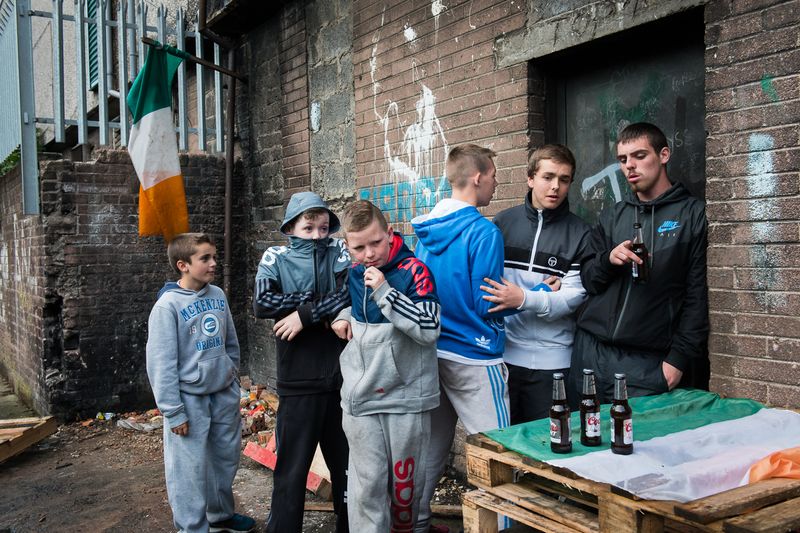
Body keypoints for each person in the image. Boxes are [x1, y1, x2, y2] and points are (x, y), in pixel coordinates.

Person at [411, 144, 518, 533]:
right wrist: (524, 298)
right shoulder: (484, 231)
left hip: (432, 352)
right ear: (477, 177)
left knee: (430, 448)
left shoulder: (424, 231)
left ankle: (415, 523)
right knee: (498, 451)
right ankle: (503, 527)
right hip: (476, 357)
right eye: (493, 175)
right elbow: (487, 302)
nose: (495, 182)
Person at [569, 122, 709, 405]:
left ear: (664, 155)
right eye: (623, 160)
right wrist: (609, 260)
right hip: (591, 356)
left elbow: (697, 297)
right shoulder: (612, 216)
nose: (630, 166)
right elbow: (589, 280)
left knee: (636, 446)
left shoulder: (692, 214)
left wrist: (677, 362)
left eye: (639, 156)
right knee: (588, 444)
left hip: (646, 364)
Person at [331, 200, 441, 533]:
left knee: (404, 491)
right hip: (361, 397)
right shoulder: (352, 271)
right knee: (366, 487)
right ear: (347, 246)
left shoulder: (415, 271)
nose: (368, 254)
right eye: (358, 247)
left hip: (406, 397)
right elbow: (351, 307)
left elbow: (429, 328)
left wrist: (384, 291)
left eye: (375, 243)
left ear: (389, 233)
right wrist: (342, 317)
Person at [253, 191, 350, 533]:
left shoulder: (339, 251)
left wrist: (303, 315)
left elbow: (349, 293)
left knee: (346, 467)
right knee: (291, 471)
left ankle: (349, 526)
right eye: (309, 228)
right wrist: (314, 304)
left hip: (341, 380)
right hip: (298, 381)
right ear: (291, 228)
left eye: (323, 228)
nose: (318, 235)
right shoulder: (274, 257)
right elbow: (263, 303)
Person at [146, 233, 255, 533]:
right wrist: (173, 411)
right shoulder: (167, 306)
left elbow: (230, 342)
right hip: (189, 400)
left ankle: (220, 516)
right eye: (205, 258)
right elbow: (161, 364)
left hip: (222, 395)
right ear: (183, 265)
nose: (213, 263)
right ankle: (192, 527)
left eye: (214, 257)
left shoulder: (217, 295)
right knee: (188, 470)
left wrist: (230, 379)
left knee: (224, 459)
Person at [481, 144, 591, 424]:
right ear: (530, 178)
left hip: (555, 364)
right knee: (508, 450)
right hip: (503, 360)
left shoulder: (581, 233)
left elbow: (570, 300)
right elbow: (490, 289)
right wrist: (540, 294)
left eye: (564, 180)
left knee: (549, 449)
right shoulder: (503, 223)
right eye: (548, 177)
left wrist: (522, 298)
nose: (556, 186)